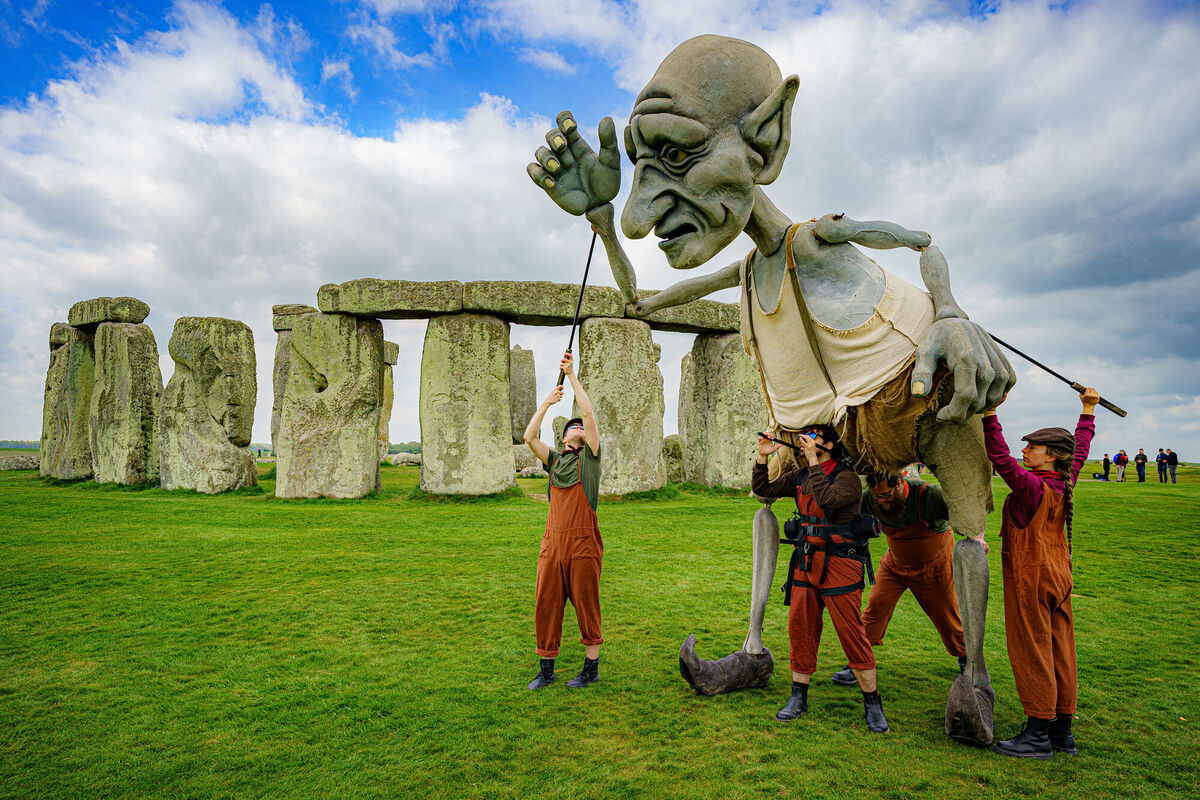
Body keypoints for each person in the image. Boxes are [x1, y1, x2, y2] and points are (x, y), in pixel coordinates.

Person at [983, 387, 1099, 759]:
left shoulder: (1033, 486)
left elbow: (1000, 458)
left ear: (1050, 456)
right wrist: (1087, 411)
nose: (1024, 450)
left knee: (1032, 650)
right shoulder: (1065, 479)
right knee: (1061, 649)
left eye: (1032, 447)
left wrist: (989, 415)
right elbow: (1080, 449)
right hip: (1060, 576)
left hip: (1032, 577)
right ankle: (1061, 733)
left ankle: (1036, 734)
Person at [752, 427, 888, 733]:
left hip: (841, 562)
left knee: (851, 631)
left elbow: (826, 500)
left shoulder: (848, 478)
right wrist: (762, 458)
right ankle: (798, 698)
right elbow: (763, 490)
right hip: (806, 561)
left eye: (814, 436)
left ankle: (872, 702)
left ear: (829, 445)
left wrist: (812, 460)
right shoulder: (800, 476)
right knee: (800, 627)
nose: (806, 440)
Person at [827, 472, 984, 687]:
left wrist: (977, 537)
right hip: (894, 566)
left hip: (934, 568)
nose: (881, 500)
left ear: (900, 483)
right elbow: (843, 516)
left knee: (948, 618)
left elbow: (967, 512)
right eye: (876, 496)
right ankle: (859, 663)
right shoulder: (870, 499)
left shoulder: (930, 496)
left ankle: (967, 659)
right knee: (874, 609)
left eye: (885, 494)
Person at [522, 353, 603, 690]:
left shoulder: (591, 459)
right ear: (565, 437)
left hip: (583, 545)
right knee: (547, 603)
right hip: (552, 544)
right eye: (574, 427)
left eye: (582, 427)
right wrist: (546, 403)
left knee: (587, 604)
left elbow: (588, 412)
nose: (580, 427)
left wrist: (570, 376)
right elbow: (529, 437)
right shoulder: (554, 460)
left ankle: (590, 669)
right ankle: (546, 668)